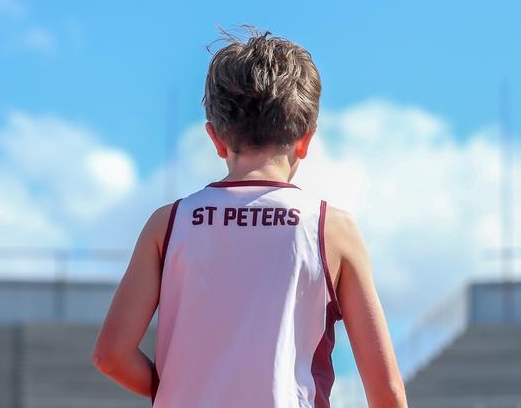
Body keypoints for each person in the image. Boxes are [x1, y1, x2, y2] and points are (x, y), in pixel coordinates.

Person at [92, 25, 408, 408]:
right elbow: (386, 392)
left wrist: (185, 392)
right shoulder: (331, 229)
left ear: (215, 137)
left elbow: (110, 356)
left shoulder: (168, 224)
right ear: (306, 139)